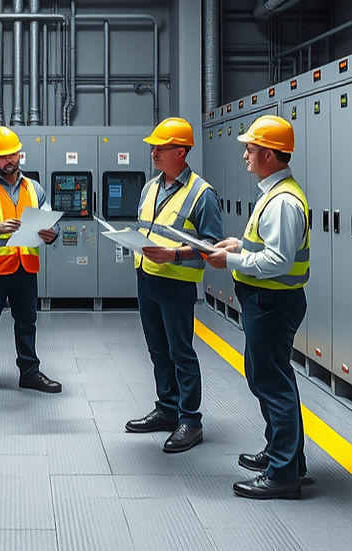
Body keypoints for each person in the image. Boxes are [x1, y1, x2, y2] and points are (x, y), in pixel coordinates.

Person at [204, 114, 309, 499]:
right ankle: (286, 457)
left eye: (249, 148)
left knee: (272, 382)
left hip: (271, 301)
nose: (245, 154)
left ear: (267, 153)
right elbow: (265, 249)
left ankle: (282, 475)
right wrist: (237, 245)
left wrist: (226, 261)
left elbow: (277, 262)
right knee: (269, 378)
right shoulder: (275, 193)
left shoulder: (282, 201)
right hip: (268, 301)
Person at [124, 117, 224, 453]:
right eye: (153, 146)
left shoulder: (202, 194)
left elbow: (213, 248)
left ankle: (190, 421)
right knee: (157, 350)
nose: (153, 152)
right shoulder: (150, 187)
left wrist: (176, 255)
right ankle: (167, 409)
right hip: (147, 278)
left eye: (161, 147)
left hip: (176, 283)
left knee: (181, 352)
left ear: (181, 152)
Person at [0, 126, 61, 402]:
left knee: (27, 322)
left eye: (14, 155)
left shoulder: (35, 188)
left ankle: (29, 371)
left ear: (20, 153)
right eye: (4, 157)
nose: (10, 161)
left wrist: (53, 234)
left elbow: (51, 223)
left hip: (25, 269)